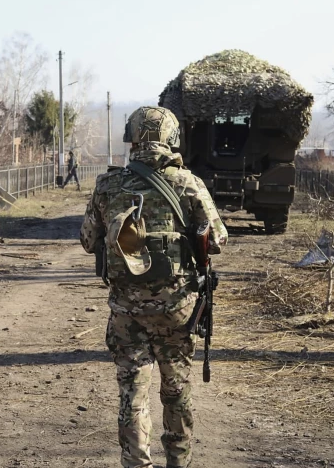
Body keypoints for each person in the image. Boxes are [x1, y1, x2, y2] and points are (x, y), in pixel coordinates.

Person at [80, 106, 228, 468]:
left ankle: (136, 463)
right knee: (176, 392)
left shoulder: (108, 185)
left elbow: (87, 240)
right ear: (172, 138)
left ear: (131, 137)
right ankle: (179, 461)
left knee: (132, 395)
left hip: (126, 312)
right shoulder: (188, 183)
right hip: (176, 310)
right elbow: (219, 238)